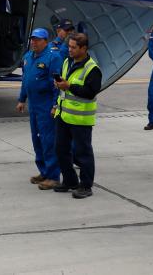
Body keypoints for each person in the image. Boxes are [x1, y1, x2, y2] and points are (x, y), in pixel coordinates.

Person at [53, 33, 102, 199]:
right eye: (69, 46)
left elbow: (90, 92)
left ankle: (86, 186)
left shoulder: (92, 69)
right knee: (61, 150)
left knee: (83, 153)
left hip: (81, 119)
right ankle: (70, 180)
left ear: (84, 48)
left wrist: (68, 86)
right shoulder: (67, 62)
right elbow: (64, 88)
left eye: (74, 47)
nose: (70, 50)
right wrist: (60, 88)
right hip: (64, 115)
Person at [16, 28, 62, 190]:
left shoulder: (53, 57)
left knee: (48, 141)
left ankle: (53, 176)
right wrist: (22, 99)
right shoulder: (28, 57)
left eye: (38, 40)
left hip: (46, 105)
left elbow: (57, 84)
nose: (34, 42)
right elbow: (25, 80)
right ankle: (43, 171)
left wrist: (56, 104)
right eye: (32, 39)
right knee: (37, 139)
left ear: (46, 41)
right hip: (34, 105)